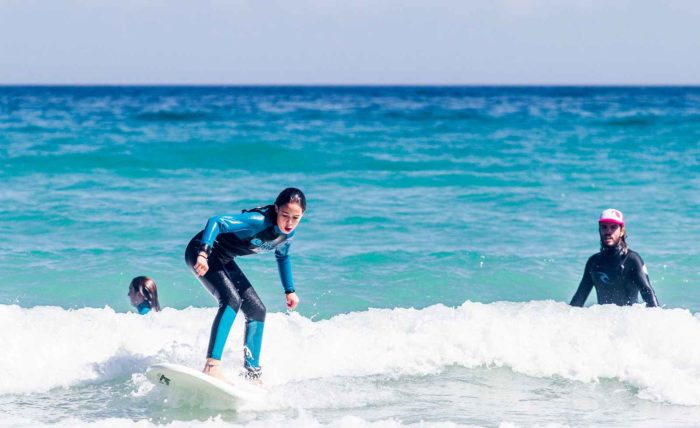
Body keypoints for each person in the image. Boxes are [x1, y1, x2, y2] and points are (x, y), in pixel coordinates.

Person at [184, 187, 306, 383]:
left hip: (223, 258)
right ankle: (211, 366)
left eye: (296, 217)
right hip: (201, 253)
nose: (289, 222)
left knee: (257, 310)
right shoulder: (258, 222)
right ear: (276, 209)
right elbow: (216, 221)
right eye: (285, 215)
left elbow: (283, 258)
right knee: (231, 300)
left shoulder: (287, 235)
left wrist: (289, 290)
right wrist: (203, 253)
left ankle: (252, 374)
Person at [570, 208, 659, 308]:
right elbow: (579, 299)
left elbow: (648, 293)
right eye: (604, 227)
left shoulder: (632, 260)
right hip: (604, 321)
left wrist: (657, 320)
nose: (608, 231)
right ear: (599, 230)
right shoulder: (593, 262)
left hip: (629, 320)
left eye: (613, 227)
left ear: (621, 231)